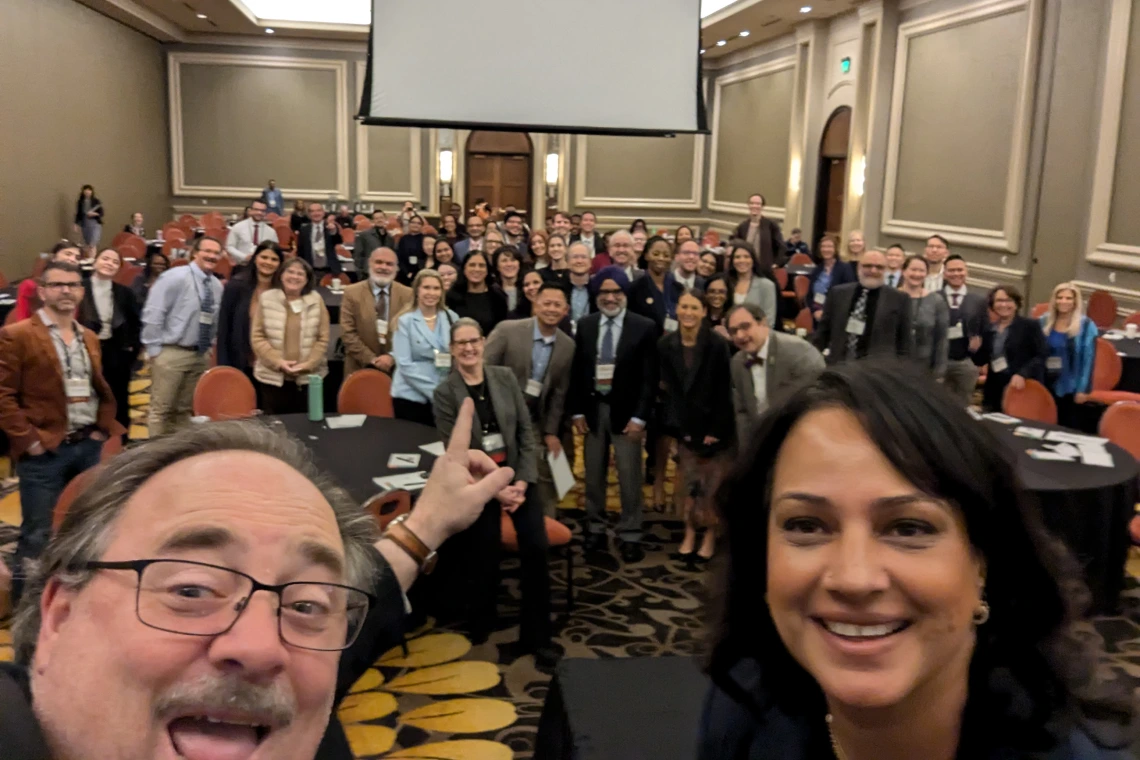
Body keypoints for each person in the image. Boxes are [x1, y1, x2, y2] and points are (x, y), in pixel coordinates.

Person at [1, 397, 521, 760]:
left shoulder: (306, 680)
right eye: (192, 589)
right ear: (58, 615)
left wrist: (428, 523)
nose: (262, 647)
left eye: (303, 606)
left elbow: (364, 600)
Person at [700, 359, 1136, 760]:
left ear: (983, 560)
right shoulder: (742, 704)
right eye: (806, 526)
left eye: (909, 528)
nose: (854, 578)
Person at [431, 318, 557, 664]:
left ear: (484, 342)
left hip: (516, 478)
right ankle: (482, 620)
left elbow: (525, 436)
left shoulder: (503, 378)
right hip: (479, 486)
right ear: (453, 349)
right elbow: (456, 456)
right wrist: (495, 491)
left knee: (536, 547)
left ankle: (538, 635)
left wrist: (521, 481)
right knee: (483, 550)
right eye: (461, 344)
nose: (468, 348)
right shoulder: (445, 394)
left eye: (474, 341)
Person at [0, 260, 122, 605]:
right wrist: (29, 441)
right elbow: (3, 395)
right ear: (42, 291)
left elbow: (97, 386)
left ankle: (71, 601)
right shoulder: (18, 335)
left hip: (86, 445)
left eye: (72, 284)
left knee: (83, 529)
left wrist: (101, 429)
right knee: (37, 535)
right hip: (45, 450)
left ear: (81, 292)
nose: (65, 290)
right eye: (57, 285)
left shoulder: (89, 337)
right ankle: (28, 609)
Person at [570, 267, 657, 563]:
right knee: (593, 475)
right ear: (597, 296)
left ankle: (630, 532)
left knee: (629, 476)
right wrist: (578, 410)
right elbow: (578, 372)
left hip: (628, 415)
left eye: (616, 292)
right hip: (594, 411)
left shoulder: (643, 327)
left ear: (625, 295)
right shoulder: (585, 325)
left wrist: (640, 418)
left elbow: (649, 378)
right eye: (604, 292)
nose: (610, 297)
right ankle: (594, 527)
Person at [485, 282, 576, 517]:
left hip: (534, 419)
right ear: (535, 304)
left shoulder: (567, 346)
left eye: (558, 305)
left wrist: (551, 431)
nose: (552, 309)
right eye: (547, 303)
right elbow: (483, 371)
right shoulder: (507, 330)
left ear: (566, 310)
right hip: (496, 417)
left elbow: (560, 393)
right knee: (494, 470)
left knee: (541, 471)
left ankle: (544, 525)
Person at [658, 290, 734, 564]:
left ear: (704, 311)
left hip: (716, 428)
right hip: (686, 428)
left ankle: (710, 537)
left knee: (711, 488)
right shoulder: (666, 345)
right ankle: (689, 534)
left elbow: (725, 390)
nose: (688, 312)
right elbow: (670, 392)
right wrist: (680, 429)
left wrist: (716, 428)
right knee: (689, 486)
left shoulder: (717, 344)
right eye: (683, 307)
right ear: (676, 310)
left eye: (694, 307)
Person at [141, 237, 224, 436]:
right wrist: (153, 350)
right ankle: (156, 458)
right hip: (171, 352)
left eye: (216, 253)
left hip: (199, 353)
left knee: (184, 411)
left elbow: (213, 319)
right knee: (161, 411)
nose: (212, 256)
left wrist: (209, 346)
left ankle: (176, 456)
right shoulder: (174, 277)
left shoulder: (216, 285)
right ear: (194, 253)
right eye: (207, 251)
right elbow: (154, 312)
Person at [727, 302, 824, 444]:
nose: (740, 335)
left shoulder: (799, 353)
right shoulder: (737, 362)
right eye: (734, 331)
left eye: (745, 326)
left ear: (763, 323)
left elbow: (816, 408)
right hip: (760, 442)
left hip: (799, 440)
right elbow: (742, 413)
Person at [250, 258, 329, 414]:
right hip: (272, 379)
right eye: (290, 272)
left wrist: (309, 364)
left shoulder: (316, 299)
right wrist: (278, 362)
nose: (295, 277)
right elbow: (257, 337)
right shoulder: (267, 299)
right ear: (281, 275)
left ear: (307, 279)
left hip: (308, 378)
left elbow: (323, 338)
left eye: (300, 274)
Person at [77, 247, 142, 437]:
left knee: (118, 395)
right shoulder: (79, 287)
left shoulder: (124, 293)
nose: (109, 263)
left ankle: (119, 438)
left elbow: (136, 322)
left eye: (115, 262)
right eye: (105, 259)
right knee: (86, 395)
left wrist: (132, 349)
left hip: (116, 350)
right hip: (83, 351)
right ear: (95, 262)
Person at [814, 249, 911, 365]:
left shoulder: (899, 299)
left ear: (885, 270)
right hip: (838, 366)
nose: (873, 270)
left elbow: (905, 343)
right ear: (859, 267)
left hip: (877, 372)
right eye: (868, 266)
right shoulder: (838, 293)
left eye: (879, 267)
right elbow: (823, 333)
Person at [391, 269, 459, 426]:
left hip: (445, 393)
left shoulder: (452, 317)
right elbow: (404, 365)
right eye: (426, 287)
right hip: (410, 395)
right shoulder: (404, 321)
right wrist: (436, 393)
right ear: (417, 290)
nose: (431, 293)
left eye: (436, 288)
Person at [340, 247, 413, 376]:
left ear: (396, 268)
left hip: (397, 371)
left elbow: (411, 333)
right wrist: (372, 360)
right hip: (359, 367)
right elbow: (348, 333)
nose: (384, 267)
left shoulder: (408, 294)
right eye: (379, 262)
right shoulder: (351, 293)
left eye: (389, 264)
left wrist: (392, 357)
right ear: (369, 263)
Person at [216, 242, 282, 382]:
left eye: (274, 259)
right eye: (264, 257)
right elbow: (224, 329)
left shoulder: (283, 291)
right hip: (241, 362)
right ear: (255, 258)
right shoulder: (236, 286)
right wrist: (224, 367)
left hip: (273, 368)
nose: (268, 262)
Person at [979, 285, 1048, 412]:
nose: (1004, 304)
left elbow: (1041, 355)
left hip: (1021, 387)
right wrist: (975, 347)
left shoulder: (1029, 326)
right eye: (999, 301)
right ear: (993, 305)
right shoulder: (989, 329)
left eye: (1008, 300)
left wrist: (1022, 374)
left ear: (1016, 304)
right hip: (994, 389)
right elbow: (981, 359)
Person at [1040, 282, 1098, 428]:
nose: (1063, 302)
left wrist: (1083, 389)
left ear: (1075, 301)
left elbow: (1088, 360)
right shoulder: (1044, 321)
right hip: (1045, 381)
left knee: (1065, 427)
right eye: (1060, 297)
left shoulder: (1086, 326)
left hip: (1071, 385)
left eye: (1068, 298)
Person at [940, 255, 989, 405]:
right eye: (951, 270)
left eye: (960, 270)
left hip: (966, 363)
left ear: (966, 272)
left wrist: (979, 358)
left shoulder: (979, 301)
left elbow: (984, 330)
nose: (956, 274)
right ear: (945, 274)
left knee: (963, 405)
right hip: (939, 362)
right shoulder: (934, 297)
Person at [898, 255, 949, 381]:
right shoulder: (891, 297)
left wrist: (939, 372)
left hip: (924, 368)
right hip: (894, 366)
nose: (917, 274)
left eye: (921, 271)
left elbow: (942, 339)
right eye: (913, 269)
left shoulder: (936, 301)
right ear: (903, 271)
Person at [16, 242, 83, 323]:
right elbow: (22, 319)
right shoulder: (30, 285)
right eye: (68, 254)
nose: (73, 259)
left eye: (77, 257)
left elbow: (72, 319)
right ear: (54, 258)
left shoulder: (77, 287)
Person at [629, 235, 683, 336]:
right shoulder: (635, 288)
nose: (661, 258)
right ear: (646, 256)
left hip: (672, 344)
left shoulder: (678, 288)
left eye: (666, 255)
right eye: (656, 254)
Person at [446, 251, 509, 336]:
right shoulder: (451, 297)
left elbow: (502, 330)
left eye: (481, 265)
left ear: (487, 270)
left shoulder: (498, 297)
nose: (477, 269)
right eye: (472, 265)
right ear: (464, 269)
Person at [807, 234, 856, 324]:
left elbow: (849, 295)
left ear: (835, 249)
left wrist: (828, 312)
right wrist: (814, 311)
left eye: (829, 246)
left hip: (837, 317)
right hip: (817, 316)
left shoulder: (844, 269)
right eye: (823, 246)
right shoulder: (817, 270)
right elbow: (809, 296)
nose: (826, 249)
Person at [726, 241, 778, 322]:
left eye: (746, 257)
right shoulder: (726, 282)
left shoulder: (767, 285)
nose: (742, 260)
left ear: (753, 260)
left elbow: (769, 320)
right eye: (737, 257)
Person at [732, 193, 786, 271]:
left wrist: (776, 264)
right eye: (752, 203)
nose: (755, 206)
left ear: (762, 206)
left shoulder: (771, 225)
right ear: (748, 205)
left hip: (764, 269)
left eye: (758, 204)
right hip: (745, 268)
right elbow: (735, 246)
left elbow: (781, 247)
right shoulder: (742, 227)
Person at [296, 202, 344, 278]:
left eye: (318, 210)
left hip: (330, 270)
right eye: (312, 211)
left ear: (323, 213)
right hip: (310, 270)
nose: (316, 213)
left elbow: (339, 241)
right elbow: (300, 251)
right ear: (309, 214)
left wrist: (333, 231)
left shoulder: (331, 227)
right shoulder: (304, 229)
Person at [226, 199, 278, 266]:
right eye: (256, 209)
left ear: (265, 213)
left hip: (263, 267)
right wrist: (244, 257)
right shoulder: (238, 227)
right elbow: (229, 247)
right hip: (241, 266)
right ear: (250, 211)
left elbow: (275, 250)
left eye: (262, 211)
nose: (259, 213)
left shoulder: (271, 232)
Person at [566, 243, 595, 329]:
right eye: (575, 257)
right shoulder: (559, 289)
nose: (579, 261)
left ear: (590, 262)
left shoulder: (597, 289)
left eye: (583, 257)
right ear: (567, 262)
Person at [395, 214, 427, 284]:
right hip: (404, 273)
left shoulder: (425, 239)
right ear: (409, 224)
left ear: (422, 226)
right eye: (413, 222)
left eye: (418, 223)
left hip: (420, 272)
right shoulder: (403, 239)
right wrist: (406, 272)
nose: (416, 225)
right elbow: (399, 256)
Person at [73, 184, 103, 255]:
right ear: (83, 192)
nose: (87, 192)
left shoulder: (96, 201)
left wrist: (94, 214)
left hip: (95, 223)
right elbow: (78, 214)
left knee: (93, 243)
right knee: (87, 243)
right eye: (86, 191)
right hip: (85, 224)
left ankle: (92, 259)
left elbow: (101, 213)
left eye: (89, 191)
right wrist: (76, 224)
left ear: (92, 192)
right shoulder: (80, 202)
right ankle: (89, 257)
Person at [493, 247, 524, 313]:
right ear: (497, 266)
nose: (509, 264)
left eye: (513, 260)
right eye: (504, 261)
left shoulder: (527, 289)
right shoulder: (491, 291)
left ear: (519, 264)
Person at [704, 274, 732, 338]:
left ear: (727, 295)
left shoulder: (734, 318)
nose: (716, 296)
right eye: (712, 291)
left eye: (721, 292)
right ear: (705, 294)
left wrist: (727, 337)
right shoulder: (699, 316)